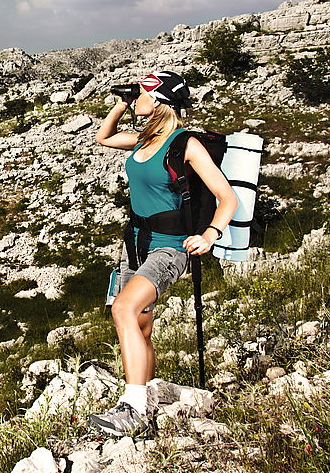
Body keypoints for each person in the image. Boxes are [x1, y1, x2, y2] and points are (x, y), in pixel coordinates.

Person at [85, 70, 239, 437]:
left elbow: (227, 196)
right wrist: (122, 102)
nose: (136, 97)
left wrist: (211, 234)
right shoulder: (142, 140)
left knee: (124, 308)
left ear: (159, 100)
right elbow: (102, 137)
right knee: (140, 325)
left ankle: (133, 407)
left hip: (170, 247)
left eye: (142, 92)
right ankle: (147, 398)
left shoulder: (184, 144)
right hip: (136, 242)